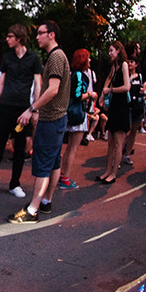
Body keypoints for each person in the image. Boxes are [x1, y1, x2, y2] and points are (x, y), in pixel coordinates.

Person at [7, 20, 70, 222]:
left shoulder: (56, 57)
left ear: (51, 35)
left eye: (41, 33)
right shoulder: (57, 56)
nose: (37, 37)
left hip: (51, 119)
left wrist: (32, 109)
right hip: (57, 119)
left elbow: (52, 89)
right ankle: (46, 201)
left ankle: (32, 210)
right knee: (53, 162)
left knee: (43, 164)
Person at [0, 23, 43, 198]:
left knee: (20, 148)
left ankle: (15, 184)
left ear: (19, 38)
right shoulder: (7, 57)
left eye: (10, 36)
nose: (7, 39)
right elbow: (1, 82)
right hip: (5, 107)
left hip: (22, 109)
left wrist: (35, 109)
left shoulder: (33, 58)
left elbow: (38, 84)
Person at [59, 49, 95, 189]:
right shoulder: (79, 75)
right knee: (72, 148)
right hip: (77, 114)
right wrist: (91, 94)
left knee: (69, 148)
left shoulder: (72, 74)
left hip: (72, 113)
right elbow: (78, 95)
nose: (90, 60)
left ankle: (62, 176)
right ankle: (65, 179)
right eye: (88, 58)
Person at [96, 41, 130, 184]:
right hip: (115, 105)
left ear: (118, 50)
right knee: (110, 141)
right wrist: (102, 95)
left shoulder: (124, 65)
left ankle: (114, 173)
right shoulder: (114, 66)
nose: (109, 53)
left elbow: (127, 86)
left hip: (121, 105)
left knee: (118, 141)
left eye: (111, 51)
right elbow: (108, 79)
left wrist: (110, 90)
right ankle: (108, 171)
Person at [121, 56, 146, 166]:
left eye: (132, 62)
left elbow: (144, 87)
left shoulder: (140, 77)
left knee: (133, 132)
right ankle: (118, 155)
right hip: (128, 106)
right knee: (126, 131)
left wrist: (144, 90)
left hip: (138, 106)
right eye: (128, 62)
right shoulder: (125, 76)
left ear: (136, 64)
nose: (130, 64)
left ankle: (127, 155)